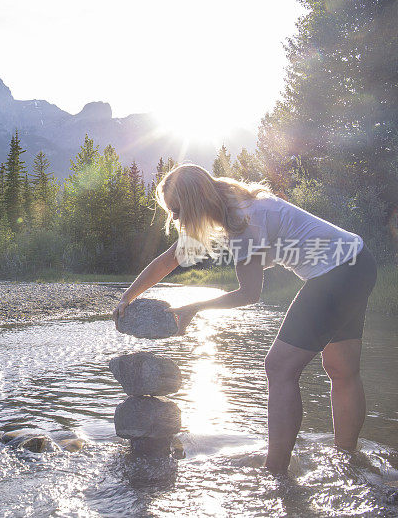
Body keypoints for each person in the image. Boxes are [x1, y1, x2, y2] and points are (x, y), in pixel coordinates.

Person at [113, 164, 377, 473]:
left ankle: (275, 471)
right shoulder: (230, 204)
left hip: (337, 273)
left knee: (278, 367)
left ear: (195, 202)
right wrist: (127, 296)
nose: (175, 218)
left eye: (177, 210)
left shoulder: (241, 222)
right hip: (358, 262)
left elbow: (249, 294)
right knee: (341, 369)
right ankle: (348, 460)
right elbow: (171, 258)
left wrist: (194, 307)